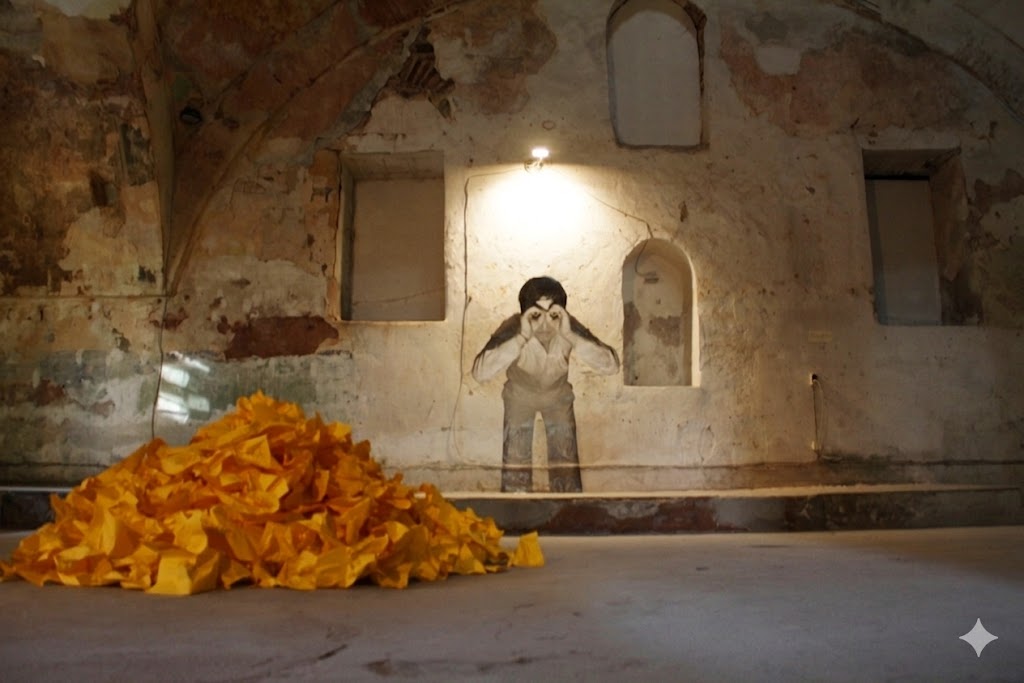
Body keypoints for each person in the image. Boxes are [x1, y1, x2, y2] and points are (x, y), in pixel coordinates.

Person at [472, 276, 619, 492]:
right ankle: (517, 509)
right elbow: (480, 372)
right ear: (524, 313)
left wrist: (570, 335)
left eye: (552, 314)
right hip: (519, 396)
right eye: (535, 314)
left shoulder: (567, 325)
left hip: (557, 397)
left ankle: (566, 508)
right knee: (515, 464)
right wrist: (522, 336)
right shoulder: (513, 327)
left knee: (565, 465)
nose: (544, 324)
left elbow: (611, 365)